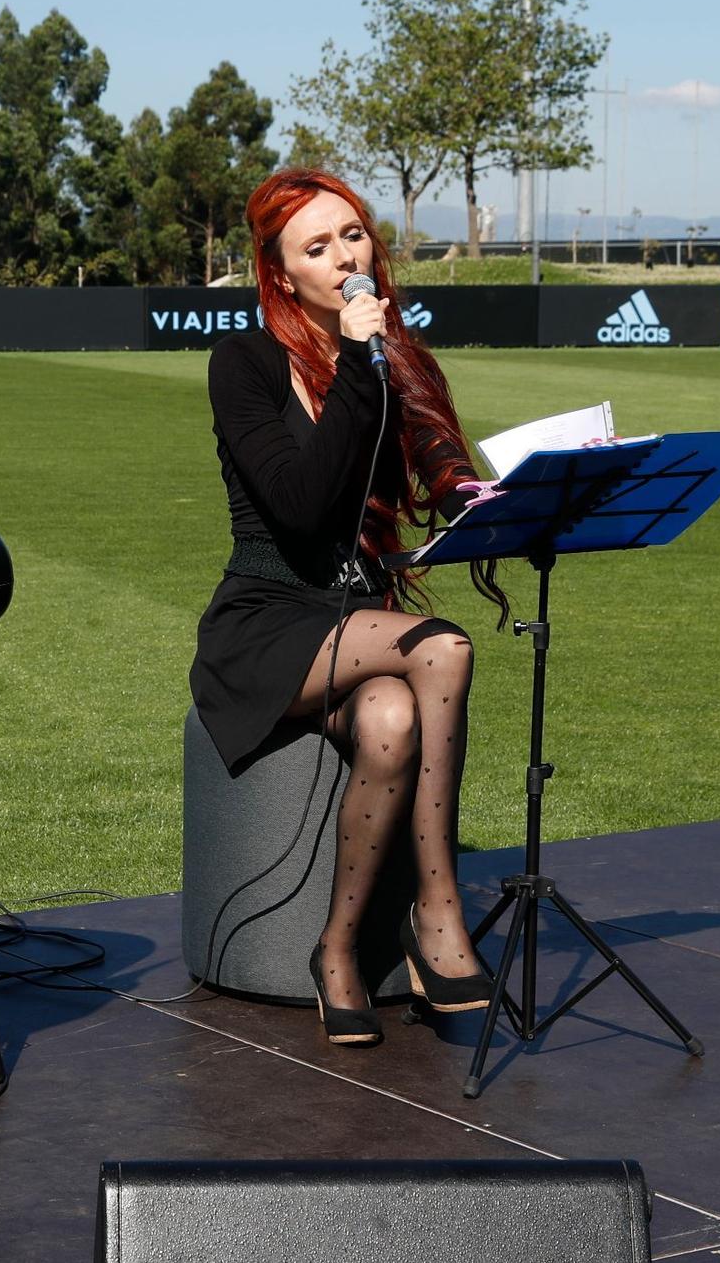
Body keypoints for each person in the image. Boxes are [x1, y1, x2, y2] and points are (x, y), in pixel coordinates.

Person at [189, 166, 508, 1047]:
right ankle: (436, 913)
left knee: (395, 715)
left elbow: (445, 467)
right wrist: (361, 367)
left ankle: (336, 951)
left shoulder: (396, 353)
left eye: (353, 235)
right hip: (265, 622)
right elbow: (298, 502)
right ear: (282, 274)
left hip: (357, 616)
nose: (343, 257)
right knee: (443, 648)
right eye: (316, 247)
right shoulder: (244, 362)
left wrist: (481, 497)